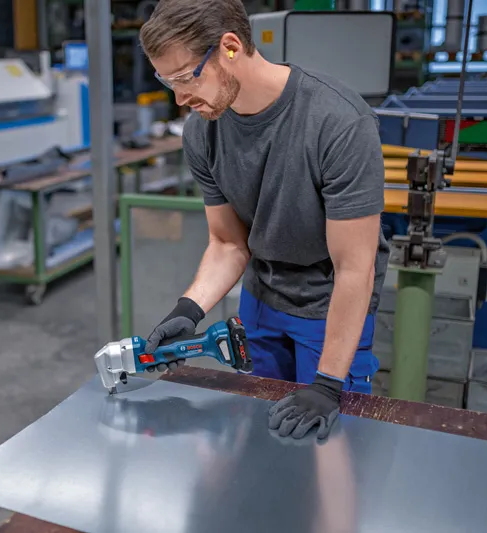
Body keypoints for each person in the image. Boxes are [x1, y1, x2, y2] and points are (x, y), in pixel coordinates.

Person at [138, 0, 389, 440]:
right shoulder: (203, 131)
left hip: (328, 305)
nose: (179, 100)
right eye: (167, 82)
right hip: (260, 299)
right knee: (257, 434)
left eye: (184, 78)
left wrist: (328, 384)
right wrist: (188, 309)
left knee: (330, 447)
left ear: (230, 47)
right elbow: (228, 244)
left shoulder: (338, 122)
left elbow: (355, 268)